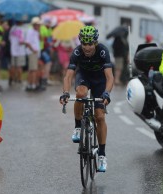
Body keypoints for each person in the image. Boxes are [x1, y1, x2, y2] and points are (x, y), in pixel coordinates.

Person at [59, 25, 114, 172]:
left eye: (90, 44)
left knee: (100, 117)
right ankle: (78, 126)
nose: (87, 47)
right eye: (84, 43)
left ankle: (102, 155)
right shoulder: (77, 52)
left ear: (95, 42)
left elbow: (109, 77)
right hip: (84, 77)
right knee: (81, 94)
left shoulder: (103, 51)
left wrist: (107, 93)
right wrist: (65, 92)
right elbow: (69, 75)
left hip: (100, 81)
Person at [24, 17, 41, 91]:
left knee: (32, 69)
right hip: (32, 53)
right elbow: (27, 42)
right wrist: (33, 50)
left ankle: (31, 84)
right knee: (33, 69)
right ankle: (32, 84)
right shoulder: (30, 31)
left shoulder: (36, 32)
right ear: (34, 25)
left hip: (35, 53)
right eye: (37, 25)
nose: (39, 26)